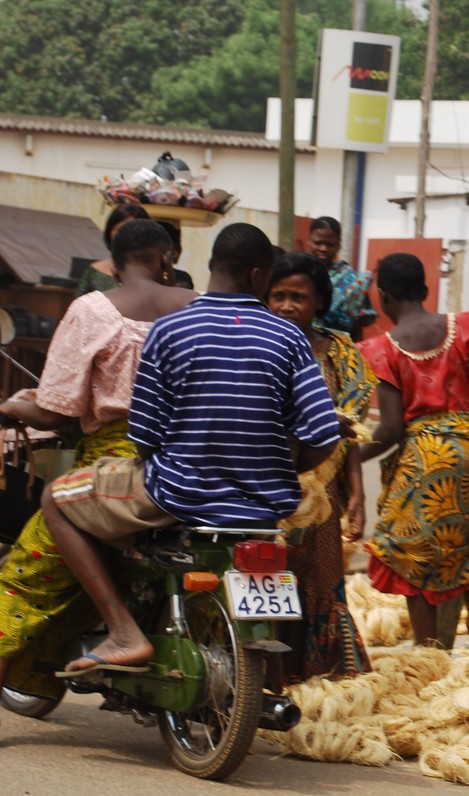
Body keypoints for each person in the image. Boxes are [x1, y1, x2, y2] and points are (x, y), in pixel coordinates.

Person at [41, 223, 343, 674]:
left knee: (56, 499)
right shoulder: (289, 339)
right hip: (264, 506)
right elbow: (323, 434)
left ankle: (123, 631)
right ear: (259, 275)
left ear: (212, 268)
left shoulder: (170, 330)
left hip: (179, 494)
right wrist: (284, 468)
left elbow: (143, 436)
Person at [0, 219, 197, 700]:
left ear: (113, 263)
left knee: (25, 575)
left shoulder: (91, 310)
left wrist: (10, 406)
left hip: (116, 467)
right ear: (166, 258)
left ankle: (121, 633)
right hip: (195, 461)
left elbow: (52, 409)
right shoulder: (200, 308)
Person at [358, 252, 469, 659]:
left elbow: (392, 429)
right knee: (468, 544)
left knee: (407, 552)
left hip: (426, 451)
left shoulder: (384, 349)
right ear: (426, 291)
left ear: (383, 297)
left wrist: (351, 455)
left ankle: (428, 652)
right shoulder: (458, 326)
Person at [266, 251, 374, 684]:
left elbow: (351, 432)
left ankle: (316, 677)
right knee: (267, 581)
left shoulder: (341, 353)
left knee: (319, 584)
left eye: (299, 296)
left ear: (319, 302)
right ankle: (263, 675)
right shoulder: (253, 339)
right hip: (265, 486)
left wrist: (359, 497)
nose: (287, 305)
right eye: (278, 295)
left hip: (322, 499)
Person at [306, 216, 377, 341]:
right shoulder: (298, 273)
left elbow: (356, 328)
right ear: (309, 240)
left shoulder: (353, 282)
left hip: (337, 350)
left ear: (338, 244)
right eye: (318, 243)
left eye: (329, 244)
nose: (323, 248)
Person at [75, 203, 150, 296]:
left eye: (131, 230)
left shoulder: (155, 274)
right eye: (119, 230)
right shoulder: (94, 272)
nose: (125, 235)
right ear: (109, 232)